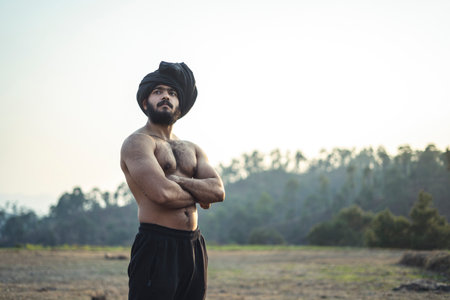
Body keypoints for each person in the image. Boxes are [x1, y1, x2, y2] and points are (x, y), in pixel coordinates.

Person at [120, 61, 225, 300]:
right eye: (158, 91)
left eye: (172, 93)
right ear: (145, 102)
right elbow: (163, 194)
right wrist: (200, 193)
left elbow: (218, 191)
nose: (165, 96)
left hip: (194, 246)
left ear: (180, 105)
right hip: (157, 245)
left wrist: (178, 181)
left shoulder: (192, 148)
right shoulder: (138, 143)